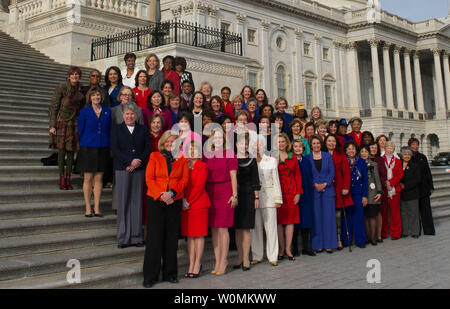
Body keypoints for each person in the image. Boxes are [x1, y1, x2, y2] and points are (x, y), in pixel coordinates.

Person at [142, 131, 189, 288]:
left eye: (173, 141)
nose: (170, 144)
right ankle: (150, 276)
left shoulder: (182, 159)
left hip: (173, 201)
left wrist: (172, 193)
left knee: (171, 239)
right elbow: (149, 179)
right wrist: (161, 195)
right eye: (167, 141)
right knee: (154, 239)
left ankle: (170, 273)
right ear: (162, 142)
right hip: (156, 200)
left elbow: (184, 180)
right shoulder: (154, 156)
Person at [111, 103, 150, 248]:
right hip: (123, 169)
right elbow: (115, 149)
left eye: (132, 114)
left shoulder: (142, 129)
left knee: (137, 202)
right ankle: (123, 237)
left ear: (136, 115)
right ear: (123, 115)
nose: (130, 116)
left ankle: (136, 236)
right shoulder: (117, 129)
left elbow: (147, 147)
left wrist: (137, 161)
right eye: (127, 114)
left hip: (139, 169)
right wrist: (129, 161)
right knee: (123, 202)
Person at [203, 129, 238, 276]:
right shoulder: (206, 156)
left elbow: (234, 176)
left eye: (219, 137)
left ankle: (224, 261)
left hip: (225, 191)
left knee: (223, 229)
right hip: (211, 192)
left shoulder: (229, 154)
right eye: (214, 137)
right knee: (215, 229)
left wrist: (234, 195)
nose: (217, 140)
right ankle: (217, 261)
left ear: (223, 139)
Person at [77, 86, 112, 217]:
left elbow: (109, 130)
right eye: (93, 95)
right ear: (90, 98)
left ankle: (96, 207)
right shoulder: (84, 112)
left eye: (98, 95)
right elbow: (80, 130)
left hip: (103, 147)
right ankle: (87, 207)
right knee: (88, 177)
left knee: (99, 177)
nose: (96, 97)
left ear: (101, 97)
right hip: (88, 147)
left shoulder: (107, 112)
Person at [49, 66, 84, 190]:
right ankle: (61, 177)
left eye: (77, 74)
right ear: (69, 76)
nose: (75, 76)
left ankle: (68, 178)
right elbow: (54, 106)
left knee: (71, 151)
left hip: (74, 122)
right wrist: (52, 125)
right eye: (73, 74)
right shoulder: (62, 87)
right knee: (62, 150)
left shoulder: (80, 89)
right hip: (62, 121)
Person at [181, 141, 211, 278]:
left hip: (198, 204)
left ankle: (197, 264)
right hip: (185, 205)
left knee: (198, 236)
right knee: (190, 236)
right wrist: (183, 200)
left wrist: (188, 201)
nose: (192, 152)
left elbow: (199, 186)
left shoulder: (202, 166)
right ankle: (190, 264)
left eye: (195, 149)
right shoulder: (183, 165)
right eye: (190, 149)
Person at [251, 136, 282, 266]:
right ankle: (257, 255)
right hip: (254, 199)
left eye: (260, 145)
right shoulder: (250, 161)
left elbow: (276, 180)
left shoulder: (271, 161)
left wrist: (278, 198)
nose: (258, 147)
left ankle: (273, 256)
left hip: (269, 198)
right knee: (256, 229)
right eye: (256, 145)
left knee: (271, 228)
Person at [234, 133, 260, 271]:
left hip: (249, 195)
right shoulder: (232, 159)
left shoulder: (252, 160)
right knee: (238, 229)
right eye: (241, 144)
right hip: (236, 196)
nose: (243, 146)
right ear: (237, 145)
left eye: (245, 144)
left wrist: (256, 197)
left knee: (246, 228)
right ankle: (239, 257)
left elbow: (255, 180)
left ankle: (246, 259)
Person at [307, 135, 337, 253]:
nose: (316, 145)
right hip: (314, 191)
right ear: (311, 145)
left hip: (327, 190)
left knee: (329, 218)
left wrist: (324, 184)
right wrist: (315, 185)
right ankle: (317, 244)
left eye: (318, 143)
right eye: (314, 143)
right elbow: (308, 174)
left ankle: (329, 244)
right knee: (317, 218)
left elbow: (331, 172)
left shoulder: (327, 156)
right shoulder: (308, 158)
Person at [276, 133, 302, 261]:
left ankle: (288, 248)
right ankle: (281, 249)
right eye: (278, 142)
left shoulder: (292, 157)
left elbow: (297, 176)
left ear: (287, 143)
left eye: (282, 141)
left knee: (290, 221)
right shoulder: (272, 157)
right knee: (279, 222)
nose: (280, 144)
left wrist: (298, 193)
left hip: (291, 192)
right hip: (278, 193)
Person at [324, 134, 352, 251]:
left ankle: (339, 239)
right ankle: (328, 240)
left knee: (338, 216)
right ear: (325, 143)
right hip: (326, 187)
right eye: (329, 141)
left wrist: (346, 187)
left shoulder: (341, 156)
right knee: (327, 216)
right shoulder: (322, 155)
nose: (331, 143)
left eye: (333, 141)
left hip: (338, 187)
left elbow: (346, 172)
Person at [342, 140, 368, 248]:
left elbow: (365, 180)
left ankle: (360, 240)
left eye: (353, 148)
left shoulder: (361, 161)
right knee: (346, 217)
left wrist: (364, 195)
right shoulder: (344, 161)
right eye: (349, 149)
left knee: (359, 217)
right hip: (347, 192)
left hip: (358, 192)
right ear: (346, 151)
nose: (351, 151)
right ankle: (346, 240)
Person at [292, 139, 315, 256]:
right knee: (295, 222)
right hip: (295, 194)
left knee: (307, 221)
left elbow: (311, 176)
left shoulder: (307, 161)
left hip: (306, 194)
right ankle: (295, 248)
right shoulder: (290, 161)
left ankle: (307, 247)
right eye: (295, 146)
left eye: (300, 147)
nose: (298, 149)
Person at [408, 138, 435, 235]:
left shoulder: (422, 157)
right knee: (415, 211)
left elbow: (428, 172)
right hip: (413, 188)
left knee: (426, 210)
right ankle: (416, 231)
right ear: (409, 145)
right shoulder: (408, 157)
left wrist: (431, 186)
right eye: (413, 144)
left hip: (424, 187)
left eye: (416, 144)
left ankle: (429, 230)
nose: (415, 146)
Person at [360, 145, 383, 246]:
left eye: (366, 152)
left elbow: (377, 178)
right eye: (362, 152)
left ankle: (373, 237)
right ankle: (367, 236)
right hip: (361, 192)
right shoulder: (357, 163)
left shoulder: (374, 164)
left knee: (372, 215)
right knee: (365, 216)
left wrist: (379, 191)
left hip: (372, 192)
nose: (364, 153)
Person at [381, 141, 403, 240]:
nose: (390, 150)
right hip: (384, 189)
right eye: (388, 148)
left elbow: (400, 174)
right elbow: (380, 173)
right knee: (384, 212)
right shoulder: (381, 160)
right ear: (384, 149)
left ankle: (396, 233)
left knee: (395, 212)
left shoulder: (398, 161)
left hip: (395, 189)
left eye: (391, 148)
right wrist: (386, 183)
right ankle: (383, 232)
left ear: (394, 150)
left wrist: (391, 182)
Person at [399, 147, 421, 238]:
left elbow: (418, 179)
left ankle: (415, 231)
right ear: (402, 155)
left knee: (413, 213)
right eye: (405, 154)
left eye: (408, 154)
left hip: (412, 192)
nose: (407, 156)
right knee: (404, 213)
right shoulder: (398, 164)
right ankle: (405, 231)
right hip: (401, 193)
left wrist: (406, 186)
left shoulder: (415, 165)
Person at [368, 142, 388, 243]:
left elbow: (383, 174)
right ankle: (370, 235)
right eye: (372, 147)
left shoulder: (379, 160)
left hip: (378, 188)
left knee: (378, 212)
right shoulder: (364, 159)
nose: (374, 149)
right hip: (367, 189)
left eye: (375, 148)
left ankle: (378, 235)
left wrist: (378, 186)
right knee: (369, 214)